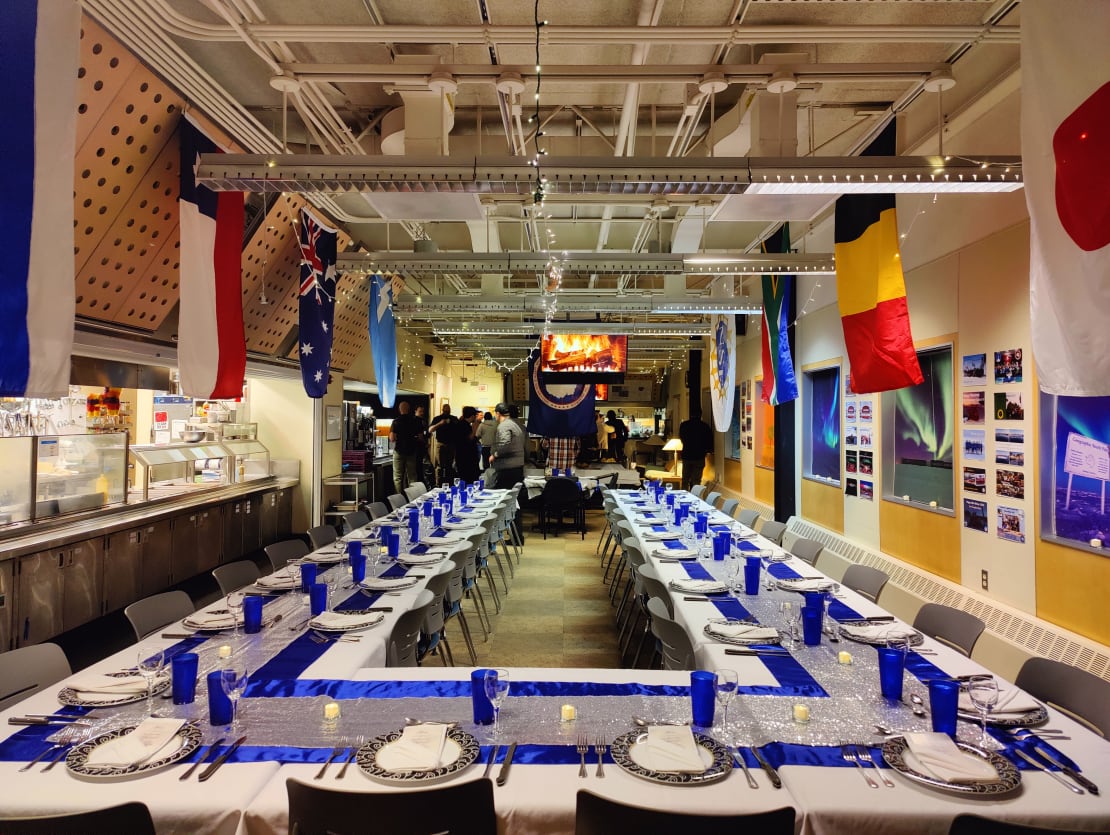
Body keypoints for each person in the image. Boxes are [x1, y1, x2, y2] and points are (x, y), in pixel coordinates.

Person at [678, 409, 714, 492]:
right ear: (700, 415)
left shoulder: (684, 425)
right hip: (699, 456)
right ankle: (695, 496)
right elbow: (709, 441)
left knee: (685, 479)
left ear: (690, 415)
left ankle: (684, 496)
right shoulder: (705, 426)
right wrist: (707, 450)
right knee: (696, 481)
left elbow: (682, 438)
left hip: (687, 455)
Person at [389, 400, 421, 492]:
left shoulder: (396, 421)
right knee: (412, 476)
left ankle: (400, 499)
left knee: (398, 478)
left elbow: (392, 438)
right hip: (411, 451)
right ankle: (413, 497)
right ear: (409, 409)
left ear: (400, 410)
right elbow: (420, 437)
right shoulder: (415, 421)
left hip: (399, 451)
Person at [428, 403, 457, 484]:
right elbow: (430, 430)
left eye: (448, 411)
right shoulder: (437, 418)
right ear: (442, 410)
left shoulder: (454, 419)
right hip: (441, 444)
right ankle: (439, 483)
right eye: (445, 411)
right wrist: (439, 424)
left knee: (450, 465)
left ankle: (449, 482)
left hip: (451, 444)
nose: (447, 412)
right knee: (440, 465)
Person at [454, 406, 483, 483]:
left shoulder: (462, 424)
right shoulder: (463, 425)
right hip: (466, 458)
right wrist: (475, 427)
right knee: (468, 480)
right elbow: (469, 439)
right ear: (472, 416)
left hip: (466, 457)